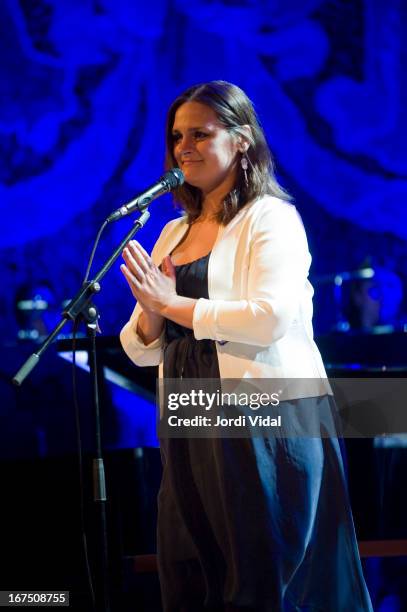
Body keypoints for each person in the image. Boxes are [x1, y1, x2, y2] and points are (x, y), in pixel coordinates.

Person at [120, 81, 373, 611]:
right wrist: (151, 310)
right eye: (176, 136)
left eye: (199, 134)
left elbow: (270, 318)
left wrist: (171, 306)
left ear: (240, 141)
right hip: (190, 415)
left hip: (263, 415)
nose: (182, 147)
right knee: (192, 567)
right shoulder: (172, 231)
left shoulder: (271, 219)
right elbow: (142, 346)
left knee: (261, 573)